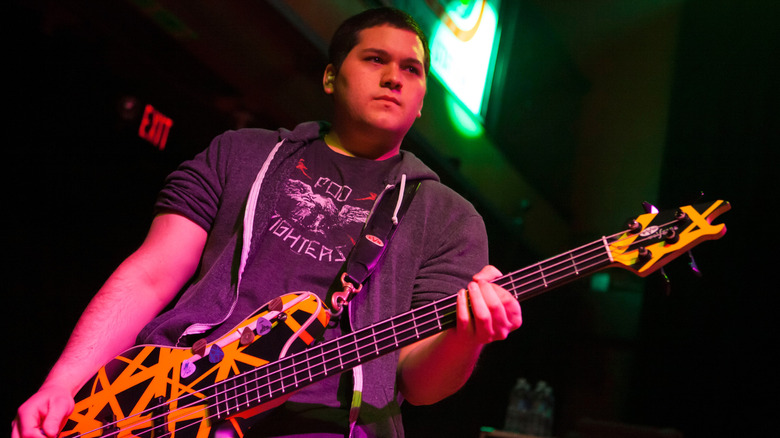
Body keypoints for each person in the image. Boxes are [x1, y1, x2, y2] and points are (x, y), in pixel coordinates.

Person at [12, 7, 522, 438]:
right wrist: (62, 383)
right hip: (166, 403)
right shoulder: (241, 152)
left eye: (412, 70)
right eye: (375, 59)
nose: (394, 77)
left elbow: (420, 383)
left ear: (422, 97)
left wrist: (468, 336)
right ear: (329, 76)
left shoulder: (450, 219)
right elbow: (151, 273)